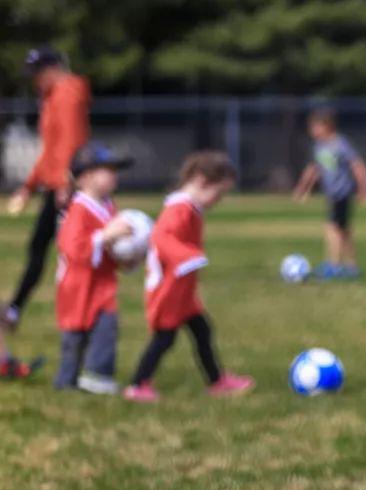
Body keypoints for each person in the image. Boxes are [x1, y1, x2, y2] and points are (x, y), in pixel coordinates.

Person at [124, 152, 255, 402]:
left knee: (202, 330)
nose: (217, 201)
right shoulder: (179, 208)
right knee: (164, 339)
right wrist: (187, 256)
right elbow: (161, 239)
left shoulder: (189, 208)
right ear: (201, 180)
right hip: (168, 291)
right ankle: (137, 385)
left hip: (183, 293)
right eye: (218, 194)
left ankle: (217, 381)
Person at [3, 46, 91, 330]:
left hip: (67, 186)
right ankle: (14, 309)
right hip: (57, 185)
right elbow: (50, 150)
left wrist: (67, 182)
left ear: (54, 67)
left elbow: (71, 141)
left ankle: (82, 315)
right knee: (39, 246)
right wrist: (28, 187)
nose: (36, 80)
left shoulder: (68, 93)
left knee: (73, 252)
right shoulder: (51, 97)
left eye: (39, 72)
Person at [54, 143, 134, 394]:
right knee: (75, 337)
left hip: (101, 284)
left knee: (106, 326)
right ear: (86, 176)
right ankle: (66, 381)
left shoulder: (109, 206)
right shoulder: (78, 209)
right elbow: (73, 248)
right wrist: (105, 235)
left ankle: (99, 375)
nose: (114, 175)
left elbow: (113, 248)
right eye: (108, 170)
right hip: (77, 287)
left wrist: (127, 257)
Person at [292, 108, 366, 280]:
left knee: (332, 228)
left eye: (315, 127)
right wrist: (302, 188)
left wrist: (364, 189)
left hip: (341, 192)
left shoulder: (340, 144)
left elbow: (357, 166)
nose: (312, 131)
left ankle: (333, 265)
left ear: (327, 126)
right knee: (344, 230)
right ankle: (352, 267)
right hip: (332, 194)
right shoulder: (319, 147)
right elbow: (313, 169)